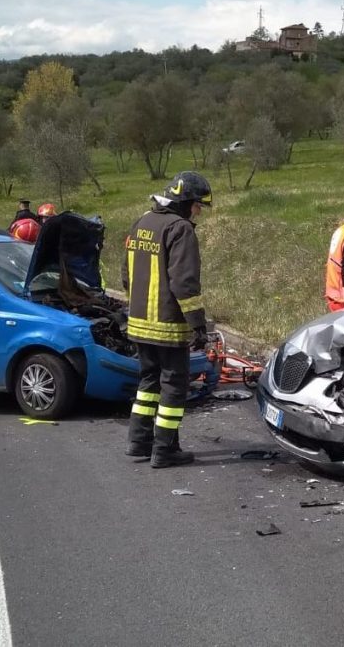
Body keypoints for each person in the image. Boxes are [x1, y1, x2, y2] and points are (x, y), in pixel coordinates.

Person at [123, 171, 213, 468]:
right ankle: (164, 450)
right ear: (185, 202)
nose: (198, 210)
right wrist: (197, 324)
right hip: (168, 326)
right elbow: (184, 283)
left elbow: (126, 275)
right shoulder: (180, 229)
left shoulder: (143, 223)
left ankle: (139, 443)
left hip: (138, 324)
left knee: (148, 383)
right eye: (198, 204)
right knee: (174, 386)